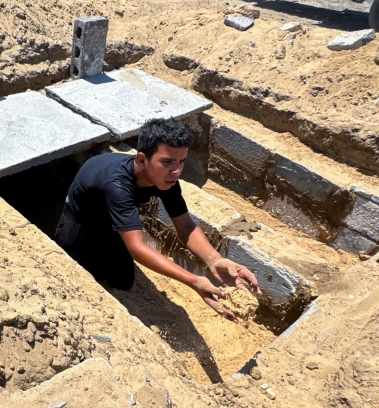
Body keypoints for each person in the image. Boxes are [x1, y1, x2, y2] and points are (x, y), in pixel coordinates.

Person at [55, 118, 260, 321]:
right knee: (81, 283)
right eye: (167, 161)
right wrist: (193, 280)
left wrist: (215, 260)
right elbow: (137, 247)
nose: (176, 170)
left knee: (123, 282)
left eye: (181, 161)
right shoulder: (116, 184)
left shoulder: (166, 180)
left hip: (113, 224)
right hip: (82, 225)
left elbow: (185, 225)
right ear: (142, 159)